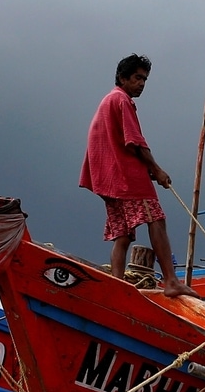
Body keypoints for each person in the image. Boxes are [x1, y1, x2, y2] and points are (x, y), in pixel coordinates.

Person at [80, 54, 197, 297]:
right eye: (137, 78)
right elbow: (134, 141)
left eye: (144, 79)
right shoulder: (122, 100)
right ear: (123, 78)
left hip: (108, 179)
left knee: (122, 233)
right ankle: (171, 281)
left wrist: (148, 168)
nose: (142, 83)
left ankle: (117, 286)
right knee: (156, 218)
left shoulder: (108, 100)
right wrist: (156, 169)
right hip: (124, 177)